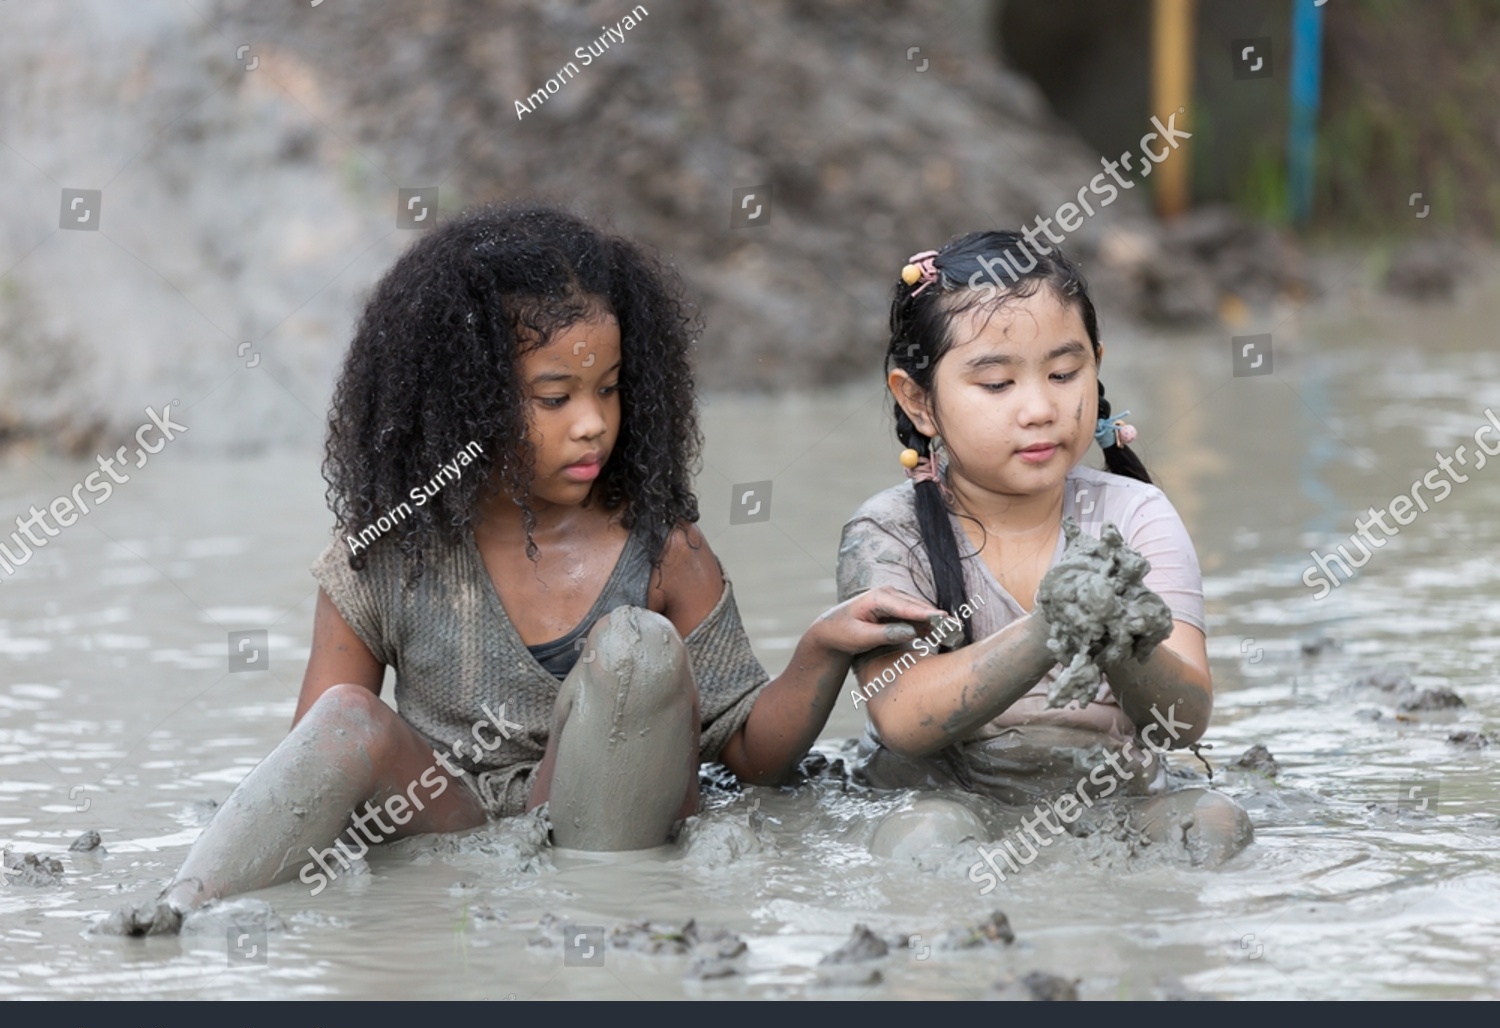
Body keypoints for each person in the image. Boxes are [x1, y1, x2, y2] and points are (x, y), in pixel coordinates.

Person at [109, 204, 940, 933]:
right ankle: (183, 903)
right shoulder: (387, 553)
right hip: (455, 830)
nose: (592, 424)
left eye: (609, 390)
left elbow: (751, 757)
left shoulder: (664, 547)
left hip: (605, 827)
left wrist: (821, 650)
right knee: (344, 717)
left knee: (637, 649)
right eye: (555, 397)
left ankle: (594, 932)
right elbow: (319, 765)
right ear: (464, 400)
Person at [836, 233, 1252, 877]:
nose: (1039, 408)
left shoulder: (1136, 514)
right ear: (918, 400)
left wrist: (1121, 633)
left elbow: (1180, 725)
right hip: (949, 799)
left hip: (1110, 799)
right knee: (924, 839)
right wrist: (1052, 627)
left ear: (1097, 366)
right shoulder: (888, 533)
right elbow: (903, 718)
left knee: (1216, 820)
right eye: (997, 383)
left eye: (1064, 374)